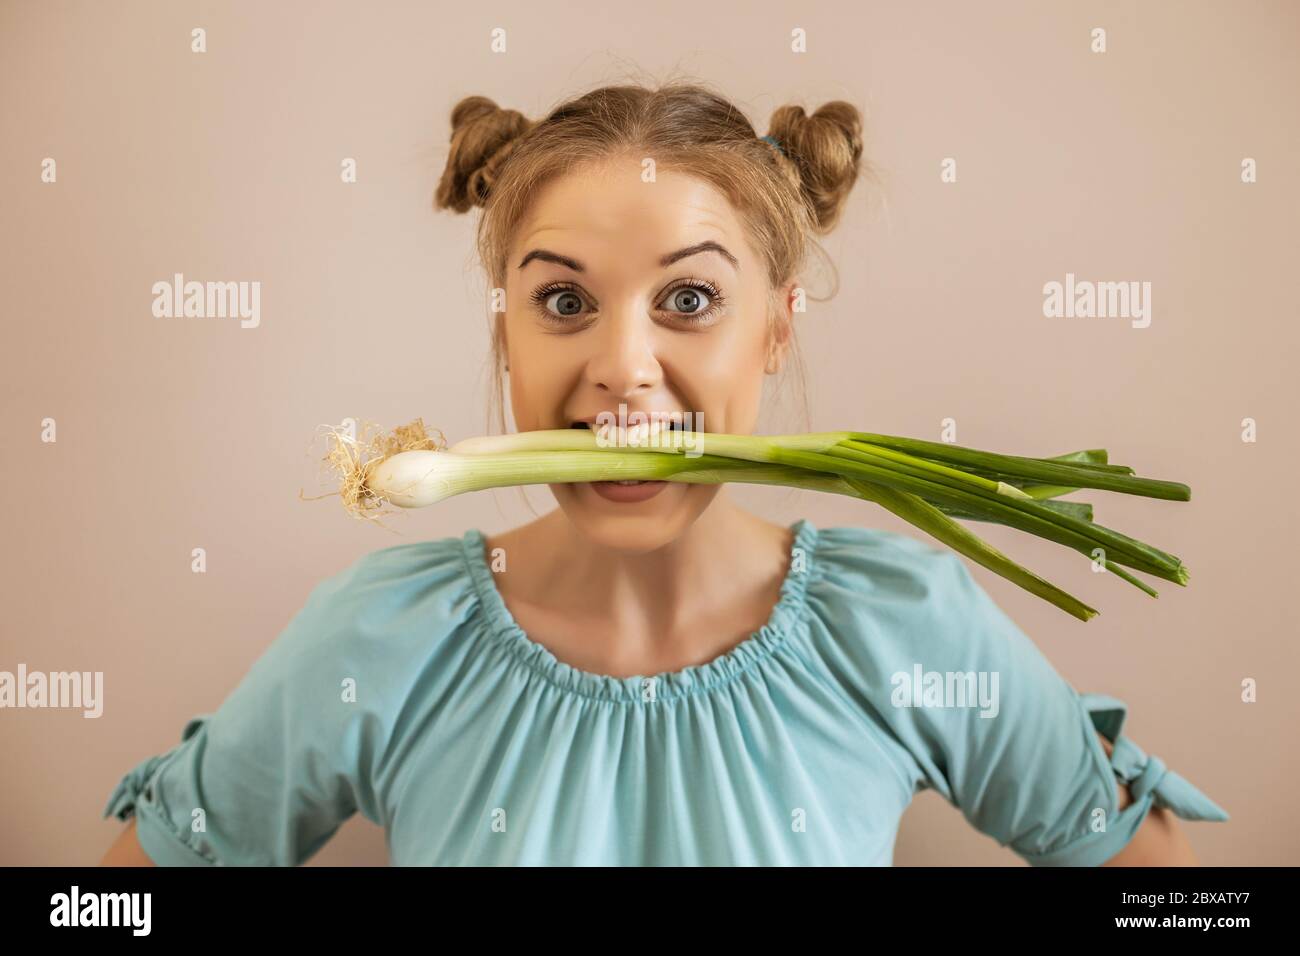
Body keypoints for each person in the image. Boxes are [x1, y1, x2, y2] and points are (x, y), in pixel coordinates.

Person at [100, 81, 1227, 866]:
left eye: (688, 300)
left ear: (776, 329)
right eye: (563, 302)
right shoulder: (379, 640)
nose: (621, 372)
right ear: (506, 332)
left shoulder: (906, 627)